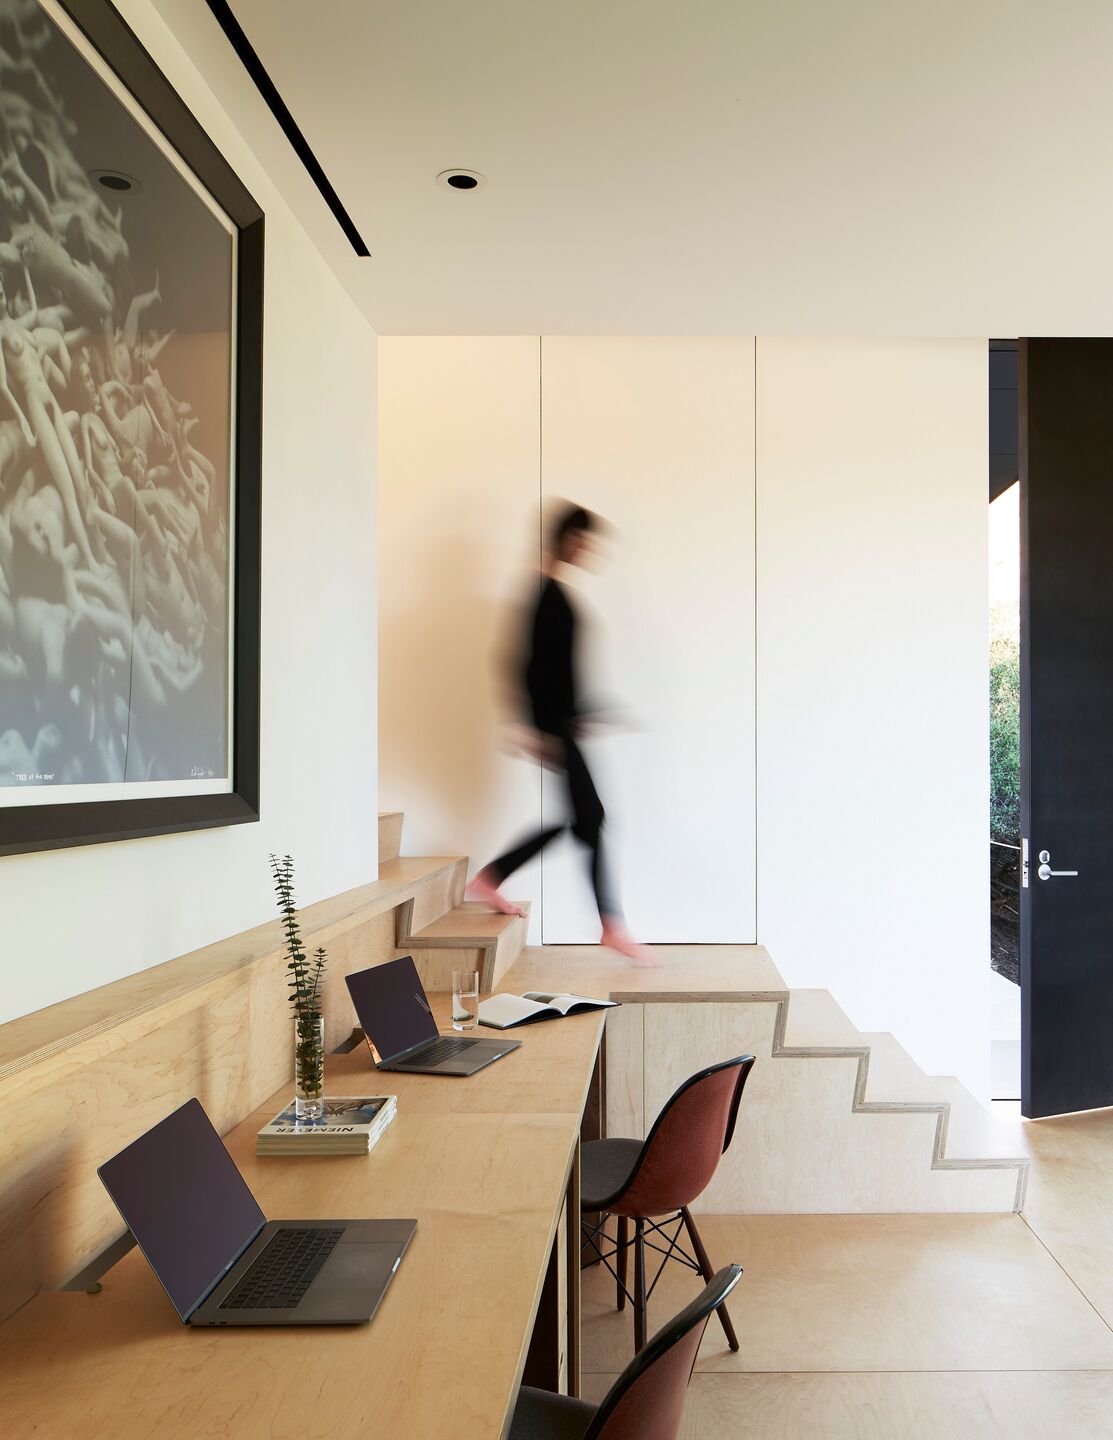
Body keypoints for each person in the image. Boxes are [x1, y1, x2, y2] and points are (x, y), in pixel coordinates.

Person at [466, 502, 656, 965]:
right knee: (591, 817)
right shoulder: (543, 593)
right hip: (550, 727)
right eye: (585, 539)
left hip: (562, 724)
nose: (590, 549)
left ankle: (492, 879)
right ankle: (609, 923)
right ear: (568, 538)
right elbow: (522, 663)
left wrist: (589, 712)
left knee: (585, 819)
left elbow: (558, 672)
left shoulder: (556, 591)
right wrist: (530, 725)